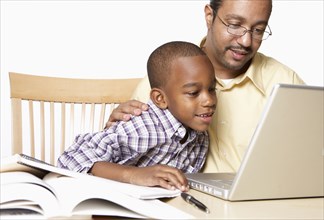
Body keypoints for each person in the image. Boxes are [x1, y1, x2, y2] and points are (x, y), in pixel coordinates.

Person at [105, 0, 305, 173]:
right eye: (235, 25)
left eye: (258, 30)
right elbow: (112, 159)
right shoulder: (166, 78)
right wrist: (113, 129)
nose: (246, 41)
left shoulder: (286, 83)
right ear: (210, 16)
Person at [57, 41, 217, 191]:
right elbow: (70, 158)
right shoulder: (143, 126)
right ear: (160, 99)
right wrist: (134, 175)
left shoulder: (200, 139)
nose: (209, 100)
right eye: (193, 93)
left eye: (212, 89)